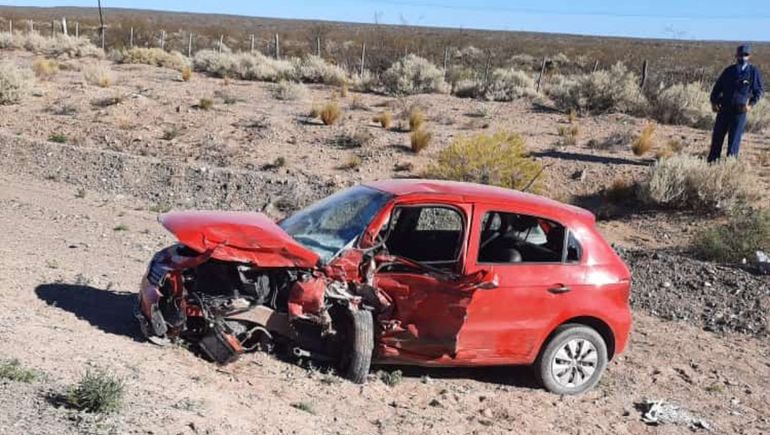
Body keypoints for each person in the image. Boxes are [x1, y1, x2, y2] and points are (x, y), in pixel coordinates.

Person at [708, 44, 764, 162]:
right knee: (717, 139)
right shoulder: (729, 71)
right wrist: (714, 102)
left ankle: (730, 166)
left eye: (745, 55)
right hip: (724, 110)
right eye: (740, 55)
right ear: (736, 56)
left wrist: (750, 105)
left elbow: (758, 91)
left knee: (734, 141)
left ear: (749, 56)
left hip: (739, 111)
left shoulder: (753, 72)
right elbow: (717, 88)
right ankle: (712, 164)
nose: (743, 57)